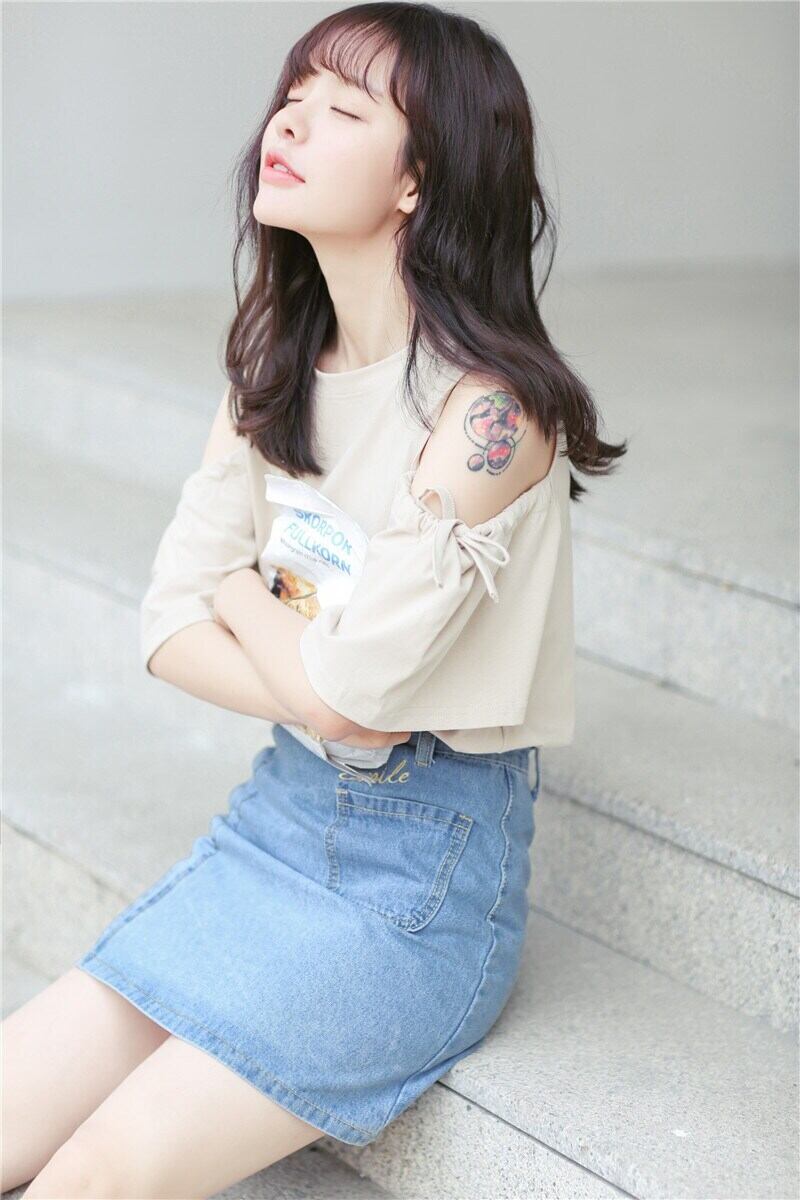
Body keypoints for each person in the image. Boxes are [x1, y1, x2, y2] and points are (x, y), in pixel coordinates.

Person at [3, 5, 627, 1197]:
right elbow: (171, 630)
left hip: (417, 886)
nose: (288, 122)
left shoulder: (489, 415)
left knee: (93, 1177)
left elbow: (349, 694)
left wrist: (244, 600)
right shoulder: (273, 362)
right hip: (275, 822)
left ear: (418, 181)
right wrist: (295, 649)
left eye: (343, 110)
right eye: (293, 96)